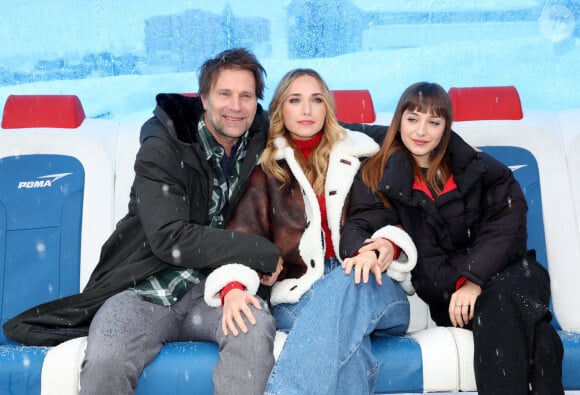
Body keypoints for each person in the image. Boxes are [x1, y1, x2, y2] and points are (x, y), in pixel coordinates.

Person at [3, 48, 282, 395]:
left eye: (247, 96)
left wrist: (372, 143)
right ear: (205, 99)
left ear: (258, 102)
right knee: (107, 359)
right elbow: (170, 238)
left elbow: (331, 131)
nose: (235, 106)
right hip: (143, 286)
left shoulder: (265, 141)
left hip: (217, 291)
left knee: (253, 334)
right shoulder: (165, 144)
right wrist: (260, 251)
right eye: (224, 94)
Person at [340, 82, 564, 395]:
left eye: (434, 122)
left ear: (446, 128)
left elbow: (507, 225)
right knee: (542, 341)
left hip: (514, 276)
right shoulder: (380, 175)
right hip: (451, 298)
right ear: (399, 122)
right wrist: (364, 249)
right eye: (413, 119)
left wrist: (473, 279)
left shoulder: (478, 168)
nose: (421, 131)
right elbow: (361, 223)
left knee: (500, 303)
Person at [209, 68, 417, 394]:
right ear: (281, 109)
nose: (306, 110)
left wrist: (389, 244)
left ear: (327, 108)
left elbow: (397, 214)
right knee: (350, 351)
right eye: (295, 100)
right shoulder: (266, 172)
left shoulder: (363, 157)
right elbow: (242, 237)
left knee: (351, 278)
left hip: (373, 285)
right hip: (300, 293)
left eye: (316, 100)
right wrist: (233, 286)